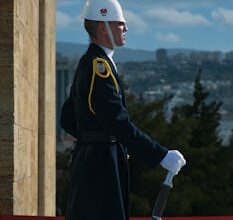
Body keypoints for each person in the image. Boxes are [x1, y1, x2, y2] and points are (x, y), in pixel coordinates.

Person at [61, 0, 186, 219]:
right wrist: (160, 155)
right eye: (120, 24)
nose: (126, 28)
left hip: (91, 162)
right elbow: (118, 122)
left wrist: (90, 139)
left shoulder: (91, 63)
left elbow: (67, 118)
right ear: (103, 27)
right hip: (102, 167)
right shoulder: (99, 68)